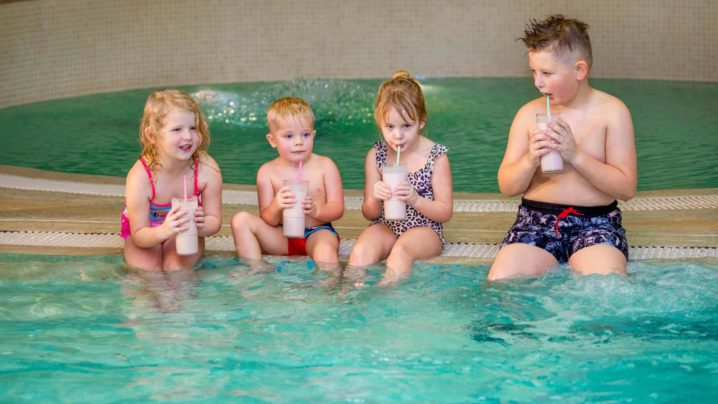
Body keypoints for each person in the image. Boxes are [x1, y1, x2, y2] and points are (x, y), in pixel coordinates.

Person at [488, 15, 637, 281]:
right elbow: (507, 186)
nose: (538, 82)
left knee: (606, 285)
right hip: (536, 221)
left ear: (579, 70)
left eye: (546, 73)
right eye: (533, 72)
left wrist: (575, 155)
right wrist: (530, 160)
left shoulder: (612, 113)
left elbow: (626, 188)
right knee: (503, 284)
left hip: (596, 223)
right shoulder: (528, 114)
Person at [347, 70, 453, 286]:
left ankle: (385, 301)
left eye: (406, 126)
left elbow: (444, 212)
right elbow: (369, 214)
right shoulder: (376, 155)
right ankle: (349, 299)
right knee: (361, 251)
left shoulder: (436, 156)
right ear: (380, 123)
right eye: (389, 127)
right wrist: (374, 198)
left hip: (424, 229)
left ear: (421, 121)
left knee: (401, 251)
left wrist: (415, 199)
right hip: (385, 224)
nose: (397, 135)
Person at [230, 97, 344, 272]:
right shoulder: (267, 172)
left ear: (313, 135)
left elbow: (338, 208)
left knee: (326, 252)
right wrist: (276, 205)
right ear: (272, 140)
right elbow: (268, 219)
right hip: (283, 237)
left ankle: (328, 290)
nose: (299, 142)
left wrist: (316, 211)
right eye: (289, 136)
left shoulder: (325, 166)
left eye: (305, 135)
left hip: (317, 232)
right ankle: (255, 269)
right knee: (240, 221)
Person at [122, 89, 223, 271]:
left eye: (193, 127)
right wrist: (165, 230)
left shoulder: (207, 169)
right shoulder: (140, 177)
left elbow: (214, 221)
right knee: (148, 272)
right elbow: (139, 235)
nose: (187, 136)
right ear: (152, 135)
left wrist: (200, 226)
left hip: (187, 228)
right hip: (146, 230)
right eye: (177, 129)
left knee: (176, 270)